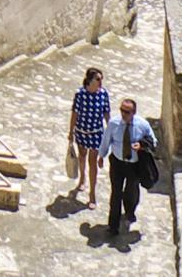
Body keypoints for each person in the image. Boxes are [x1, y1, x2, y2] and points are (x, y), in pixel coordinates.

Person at [102, 96, 156, 238]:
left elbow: (153, 141)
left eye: (127, 112)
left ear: (133, 112)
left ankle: (130, 212)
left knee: (131, 191)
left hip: (134, 165)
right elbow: (106, 140)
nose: (123, 114)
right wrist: (101, 156)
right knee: (116, 194)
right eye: (122, 110)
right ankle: (113, 226)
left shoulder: (142, 125)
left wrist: (142, 145)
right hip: (117, 162)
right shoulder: (114, 124)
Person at [67, 67, 108, 206]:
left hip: (96, 133)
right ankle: (82, 179)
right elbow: (75, 113)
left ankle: (92, 193)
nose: (100, 81)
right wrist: (71, 132)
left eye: (101, 79)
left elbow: (106, 113)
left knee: (93, 162)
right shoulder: (80, 94)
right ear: (90, 80)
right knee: (82, 156)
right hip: (82, 132)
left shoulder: (103, 94)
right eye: (97, 79)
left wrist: (110, 131)